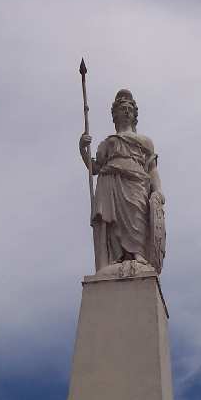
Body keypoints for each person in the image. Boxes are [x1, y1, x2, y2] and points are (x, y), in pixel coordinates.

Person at [79, 89, 165, 272]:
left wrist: (157, 190)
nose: (126, 111)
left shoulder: (145, 141)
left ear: (134, 115)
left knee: (136, 216)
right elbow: (94, 169)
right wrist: (82, 150)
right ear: (115, 114)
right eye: (122, 108)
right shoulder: (108, 143)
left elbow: (152, 169)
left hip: (137, 183)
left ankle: (138, 255)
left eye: (129, 109)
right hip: (110, 182)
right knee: (113, 223)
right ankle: (115, 259)